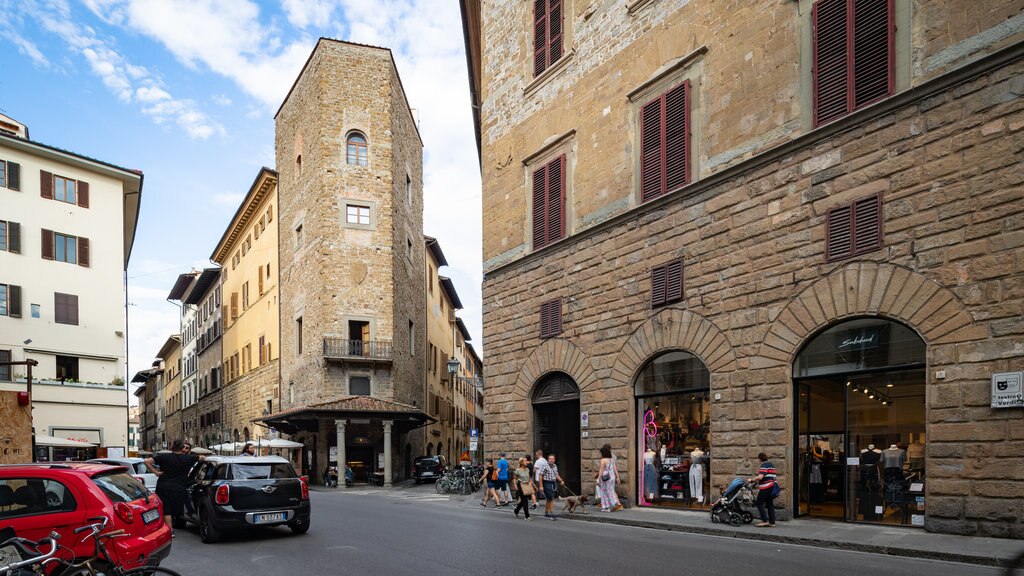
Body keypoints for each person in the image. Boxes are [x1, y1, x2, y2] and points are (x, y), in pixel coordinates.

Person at [145, 439, 203, 532]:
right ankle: (175, 524)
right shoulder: (188, 458)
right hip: (178, 488)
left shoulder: (163, 457)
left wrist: (156, 472)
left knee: (166, 510)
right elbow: (202, 458)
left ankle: (169, 530)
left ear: (172, 447)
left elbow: (147, 461)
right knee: (176, 509)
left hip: (163, 486)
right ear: (182, 448)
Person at [749, 452, 779, 527]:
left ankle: (764, 521)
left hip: (766, 487)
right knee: (769, 504)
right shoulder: (771, 465)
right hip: (772, 486)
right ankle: (772, 522)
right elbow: (769, 476)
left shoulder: (764, 465)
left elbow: (760, 477)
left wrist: (751, 480)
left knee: (759, 503)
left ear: (760, 459)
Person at [596, 444, 622, 512]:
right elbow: (615, 469)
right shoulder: (611, 460)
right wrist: (618, 477)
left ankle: (607, 507)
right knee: (611, 491)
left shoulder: (603, 460)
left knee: (604, 492)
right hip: (612, 477)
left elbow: (601, 470)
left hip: (605, 478)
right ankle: (613, 505)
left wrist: (598, 479)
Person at [539, 453, 564, 521]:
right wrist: (541, 486)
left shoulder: (555, 466)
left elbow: (556, 474)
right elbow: (540, 475)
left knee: (549, 499)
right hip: (546, 483)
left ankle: (546, 513)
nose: (551, 460)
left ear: (554, 460)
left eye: (552, 459)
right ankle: (551, 513)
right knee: (551, 498)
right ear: (548, 459)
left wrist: (561, 480)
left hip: (553, 483)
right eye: (550, 459)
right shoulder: (545, 466)